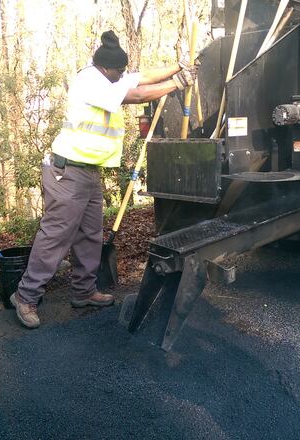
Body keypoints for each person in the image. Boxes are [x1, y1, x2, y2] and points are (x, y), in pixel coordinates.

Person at [10, 30, 197, 329]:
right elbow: (134, 95)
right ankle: (26, 295)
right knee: (56, 237)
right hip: (67, 171)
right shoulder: (90, 82)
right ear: (106, 69)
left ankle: (84, 291)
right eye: (119, 71)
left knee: (90, 235)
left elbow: (142, 78)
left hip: (88, 172)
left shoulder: (109, 77)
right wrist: (176, 84)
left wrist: (178, 66)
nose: (123, 75)